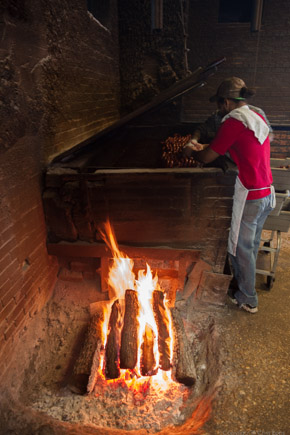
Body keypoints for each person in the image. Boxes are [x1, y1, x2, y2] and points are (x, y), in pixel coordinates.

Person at [183, 76, 276, 314]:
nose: (218, 108)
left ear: (225, 102)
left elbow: (207, 157)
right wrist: (213, 147)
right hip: (267, 192)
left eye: (219, 104)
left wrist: (191, 152)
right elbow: (244, 146)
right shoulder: (257, 116)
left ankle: (248, 298)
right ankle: (243, 286)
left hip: (251, 196)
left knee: (239, 247)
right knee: (251, 245)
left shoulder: (233, 123)